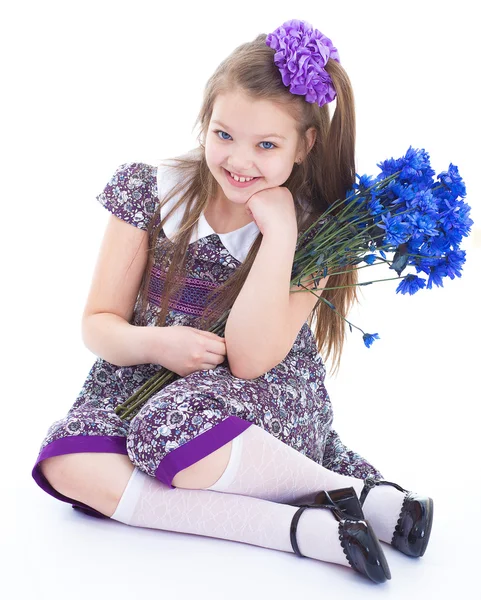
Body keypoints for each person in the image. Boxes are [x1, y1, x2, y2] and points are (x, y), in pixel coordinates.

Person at [31, 19, 433, 584]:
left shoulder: (319, 230)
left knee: (167, 432)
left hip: (260, 396)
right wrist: (154, 343)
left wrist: (281, 237)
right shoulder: (151, 191)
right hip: (143, 376)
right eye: (224, 135)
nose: (239, 160)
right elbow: (98, 324)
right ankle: (315, 526)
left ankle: (333, 489)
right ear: (205, 121)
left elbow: (248, 359)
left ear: (304, 145)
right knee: (64, 459)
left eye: (266, 145)